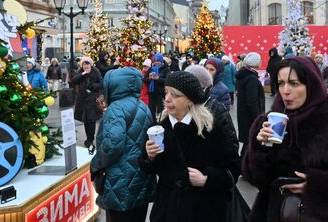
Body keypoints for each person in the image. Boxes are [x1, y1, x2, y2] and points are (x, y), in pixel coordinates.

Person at [245, 57, 328, 221]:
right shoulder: (267, 123)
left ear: (311, 84)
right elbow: (254, 178)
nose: (285, 90)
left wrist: (319, 187)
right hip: (276, 214)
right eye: (281, 83)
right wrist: (260, 147)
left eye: (294, 83)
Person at [140, 71, 240, 222]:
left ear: (190, 100)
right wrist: (149, 157)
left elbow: (233, 169)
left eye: (175, 95)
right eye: (166, 93)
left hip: (204, 210)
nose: (167, 99)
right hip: (168, 209)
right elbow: (148, 169)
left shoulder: (211, 129)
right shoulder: (159, 128)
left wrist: (207, 179)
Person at [90, 67, 156, 222]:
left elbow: (112, 145)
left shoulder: (116, 109)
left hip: (120, 182)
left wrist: (95, 165)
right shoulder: (142, 106)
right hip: (141, 180)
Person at [185, 64, 239, 151]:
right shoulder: (179, 108)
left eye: (212, 69)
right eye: (206, 68)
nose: (208, 72)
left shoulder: (218, 105)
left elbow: (230, 142)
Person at [235, 52, 265, 160]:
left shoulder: (244, 75)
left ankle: (243, 165)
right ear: (255, 63)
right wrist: (259, 118)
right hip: (250, 117)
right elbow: (252, 101)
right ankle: (243, 166)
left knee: (249, 142)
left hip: (244, 115)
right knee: (250, 142)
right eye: (260, 60)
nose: (261, 62)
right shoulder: (251, 78)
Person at [71, 57, 103, 153]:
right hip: (82, 100)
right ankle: (88, 140)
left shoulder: (96, 72)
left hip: (93, 100)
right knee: (86, 120)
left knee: (91, 120)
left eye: (88, 64)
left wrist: (93, 86)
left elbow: (101, 83)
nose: (86, 66)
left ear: (91, 64)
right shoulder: (80, 71)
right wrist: (83, 74)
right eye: (84, 64)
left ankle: (90, 140)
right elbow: (74, 80)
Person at [144, 52, 169, 119]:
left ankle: (161, 122)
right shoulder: (151, 69)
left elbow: (167, 81)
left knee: (161, 110)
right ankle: (152, 122)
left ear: (161, 61)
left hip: (161, 93)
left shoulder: (166, 69)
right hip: (152, 92)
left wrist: (158, 78)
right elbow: (144, 79)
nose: (156, 63)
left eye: (158, 61)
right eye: (155, 61)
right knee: (151, 109)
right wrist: (149, 78)